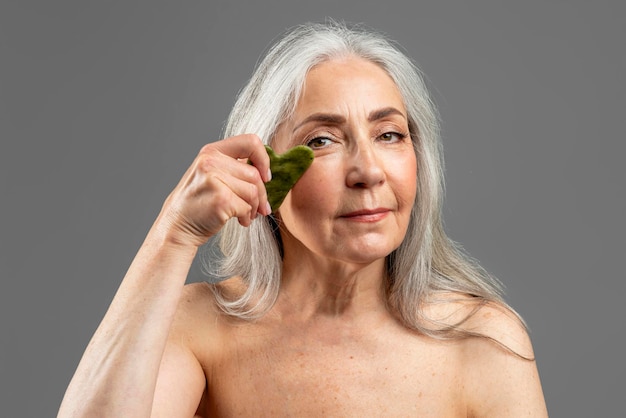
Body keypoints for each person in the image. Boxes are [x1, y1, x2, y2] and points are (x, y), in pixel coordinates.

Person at [58, 21, 548, 417]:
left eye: (390, 135)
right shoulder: (197, 328)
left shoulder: (484, 340)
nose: (368, 172)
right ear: (261, 170)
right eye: (322, 140)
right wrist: (174, 236)